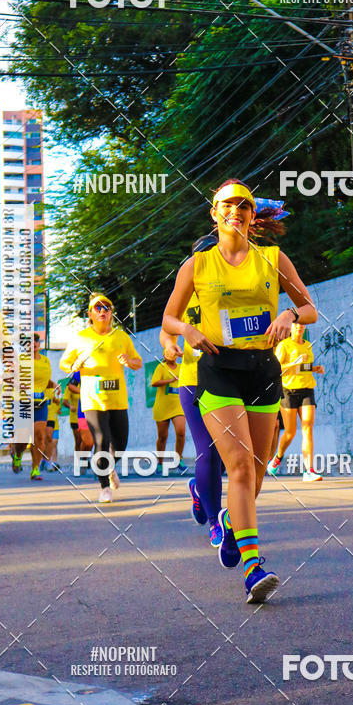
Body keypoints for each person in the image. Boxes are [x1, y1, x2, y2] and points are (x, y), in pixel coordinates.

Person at [162, 179, 317, 604]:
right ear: (215, 214)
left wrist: (289, 314)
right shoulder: (197, 264)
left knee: (259, 467)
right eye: (227, 205)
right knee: (241, 469)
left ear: (252, 214)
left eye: (244, 205)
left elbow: (310, 308)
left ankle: (232, 522)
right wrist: (188, 330)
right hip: (218, 371)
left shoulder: (272, 258)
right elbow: (168, 319)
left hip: (263, 371)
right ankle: (253, 566)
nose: (236, 210)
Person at [160, 234, 224, 548]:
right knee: (208, 450)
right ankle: (215, 522)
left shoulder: (232, 290)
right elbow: (165, 328)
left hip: (229, 378)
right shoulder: (185, 294)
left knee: (228, 453)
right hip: (193, 379)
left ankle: (200, 491)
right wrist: (170, 345)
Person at [60, 294, 142, 503]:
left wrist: (128, 360)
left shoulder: (121, 336)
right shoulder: (81, 337)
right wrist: (73, 366)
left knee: (120, 444)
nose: (102, 311)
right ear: (90, 313)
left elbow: (138, 362)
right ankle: (104, 486)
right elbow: (64, 363)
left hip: (118, 399)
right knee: (101, 440)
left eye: (106, 307)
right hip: (92, 400)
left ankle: (109, 468)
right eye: (98, 308)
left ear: (111, 312)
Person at [266, 323, 324, 481]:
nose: (299, 327)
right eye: (296, 324)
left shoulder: (307, 346)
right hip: (288, 391)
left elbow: (301, 368)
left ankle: (308, 470)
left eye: (302, 325)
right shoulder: (284, 345)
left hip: (306, 389)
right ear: (290, 327)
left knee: (307, 428)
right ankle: (277, 457)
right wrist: (294, 362)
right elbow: (277, 370)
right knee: (290, 433)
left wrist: (314, 368)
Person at [10, 333, 58, 481]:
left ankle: (35, 469)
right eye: (29, 342)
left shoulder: (45, 361)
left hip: (40, 403)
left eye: (36, 340)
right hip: (23, 403)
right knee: (23, 438)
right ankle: (17, 455)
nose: (34, 343)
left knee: (39, 436)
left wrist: (54, 385)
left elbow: (45, 381)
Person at [150, 355, 187, 474]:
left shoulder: (182, 367)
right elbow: (154, 382)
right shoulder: (161, 367)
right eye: (169, 353)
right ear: (165, 355)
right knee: (162, 437)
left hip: (178, 406)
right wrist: (170, 381)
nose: (172, 355)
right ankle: (160, 463)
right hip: (163, 407)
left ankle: (178, 459)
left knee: (181, 432)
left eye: (175, 353)